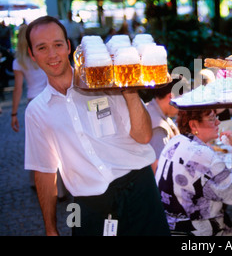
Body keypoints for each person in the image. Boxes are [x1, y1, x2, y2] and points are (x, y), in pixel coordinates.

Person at [24, 15, 169, 236]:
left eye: (58, 45)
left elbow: (144, 136)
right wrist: (51, 229)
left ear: (69, 47)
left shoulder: (106, 80)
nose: (52, 54)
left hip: (138, 187)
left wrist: (129, 91)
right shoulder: (36, 111)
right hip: (87, 204)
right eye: (42, 48)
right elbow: (44, 171)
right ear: (32, 55)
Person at [155, 109, 232, 236]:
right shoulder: (203, 154)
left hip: (168, 226)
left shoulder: (175, 141)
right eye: (212, 119)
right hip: (198, 231)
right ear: (193, 125)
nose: (218, 122)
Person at [10, 24, 48, 190]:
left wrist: (13, 113)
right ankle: (61, 187)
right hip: (48, 98)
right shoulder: (43, 53)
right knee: (55, 141)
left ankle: (36, 181)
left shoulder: (18, 61)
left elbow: (18, 88)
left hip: (33, 101)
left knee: (35, 144)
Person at [146, 76, 185, 173]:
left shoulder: (150, 109)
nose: (182, 105)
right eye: (182, 99)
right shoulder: (158, 128)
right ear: (171, 97)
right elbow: (158, 169)